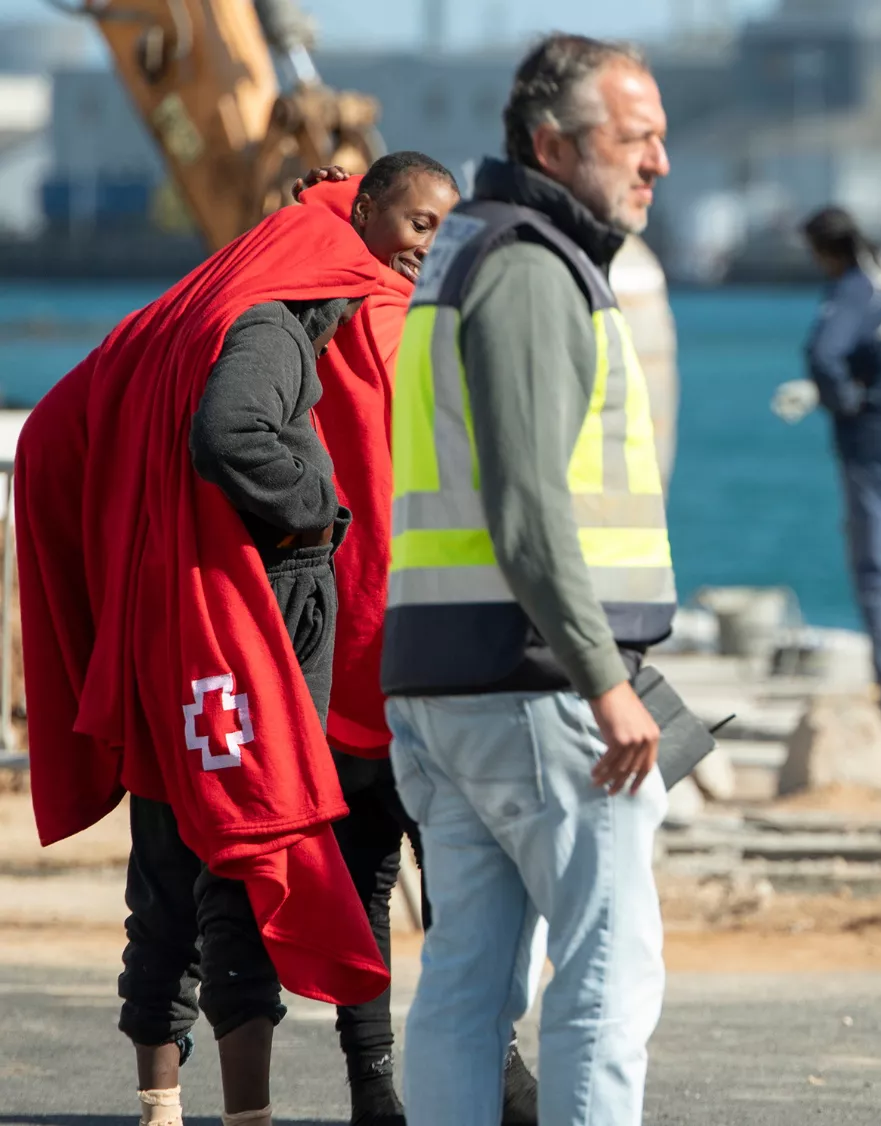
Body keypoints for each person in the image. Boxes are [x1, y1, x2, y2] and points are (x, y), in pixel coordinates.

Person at [17, 182, 395, 1126]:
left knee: (167, 868)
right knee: (246, 844)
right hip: (245, 620)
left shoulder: (186, 314)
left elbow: (55, 426)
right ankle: (251, 1116)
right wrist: (319, 504)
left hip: (166, 620)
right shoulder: (272, 324)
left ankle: (161, 1107)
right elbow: (228, 431)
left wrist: (123, 543)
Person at [380, 33, 675, 1126]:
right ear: (554, 144)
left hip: (447, 678)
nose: (657, 162)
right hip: (540, 686)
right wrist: (605, 677)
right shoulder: (529, 266)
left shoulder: (464, 254)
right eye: (634, 137)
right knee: (607, 971)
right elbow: (526, 501)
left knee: (468, 974)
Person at [290, 155, 545, 1126]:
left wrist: (330, 196)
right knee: (449, 880)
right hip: (406, 655)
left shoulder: (320, 308)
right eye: (414, 223)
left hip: (373, 652)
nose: (425, 242)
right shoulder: (404, 326)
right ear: (367, 217)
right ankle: (444, 1072)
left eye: (443, 226)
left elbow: (323, 229)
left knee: (402, 880)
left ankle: (393, 1081)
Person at [771, 207, 881, 726]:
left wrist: (845, 401)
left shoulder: (857, 287)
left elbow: (822, 352)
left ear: (824, 252)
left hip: (878, 438)